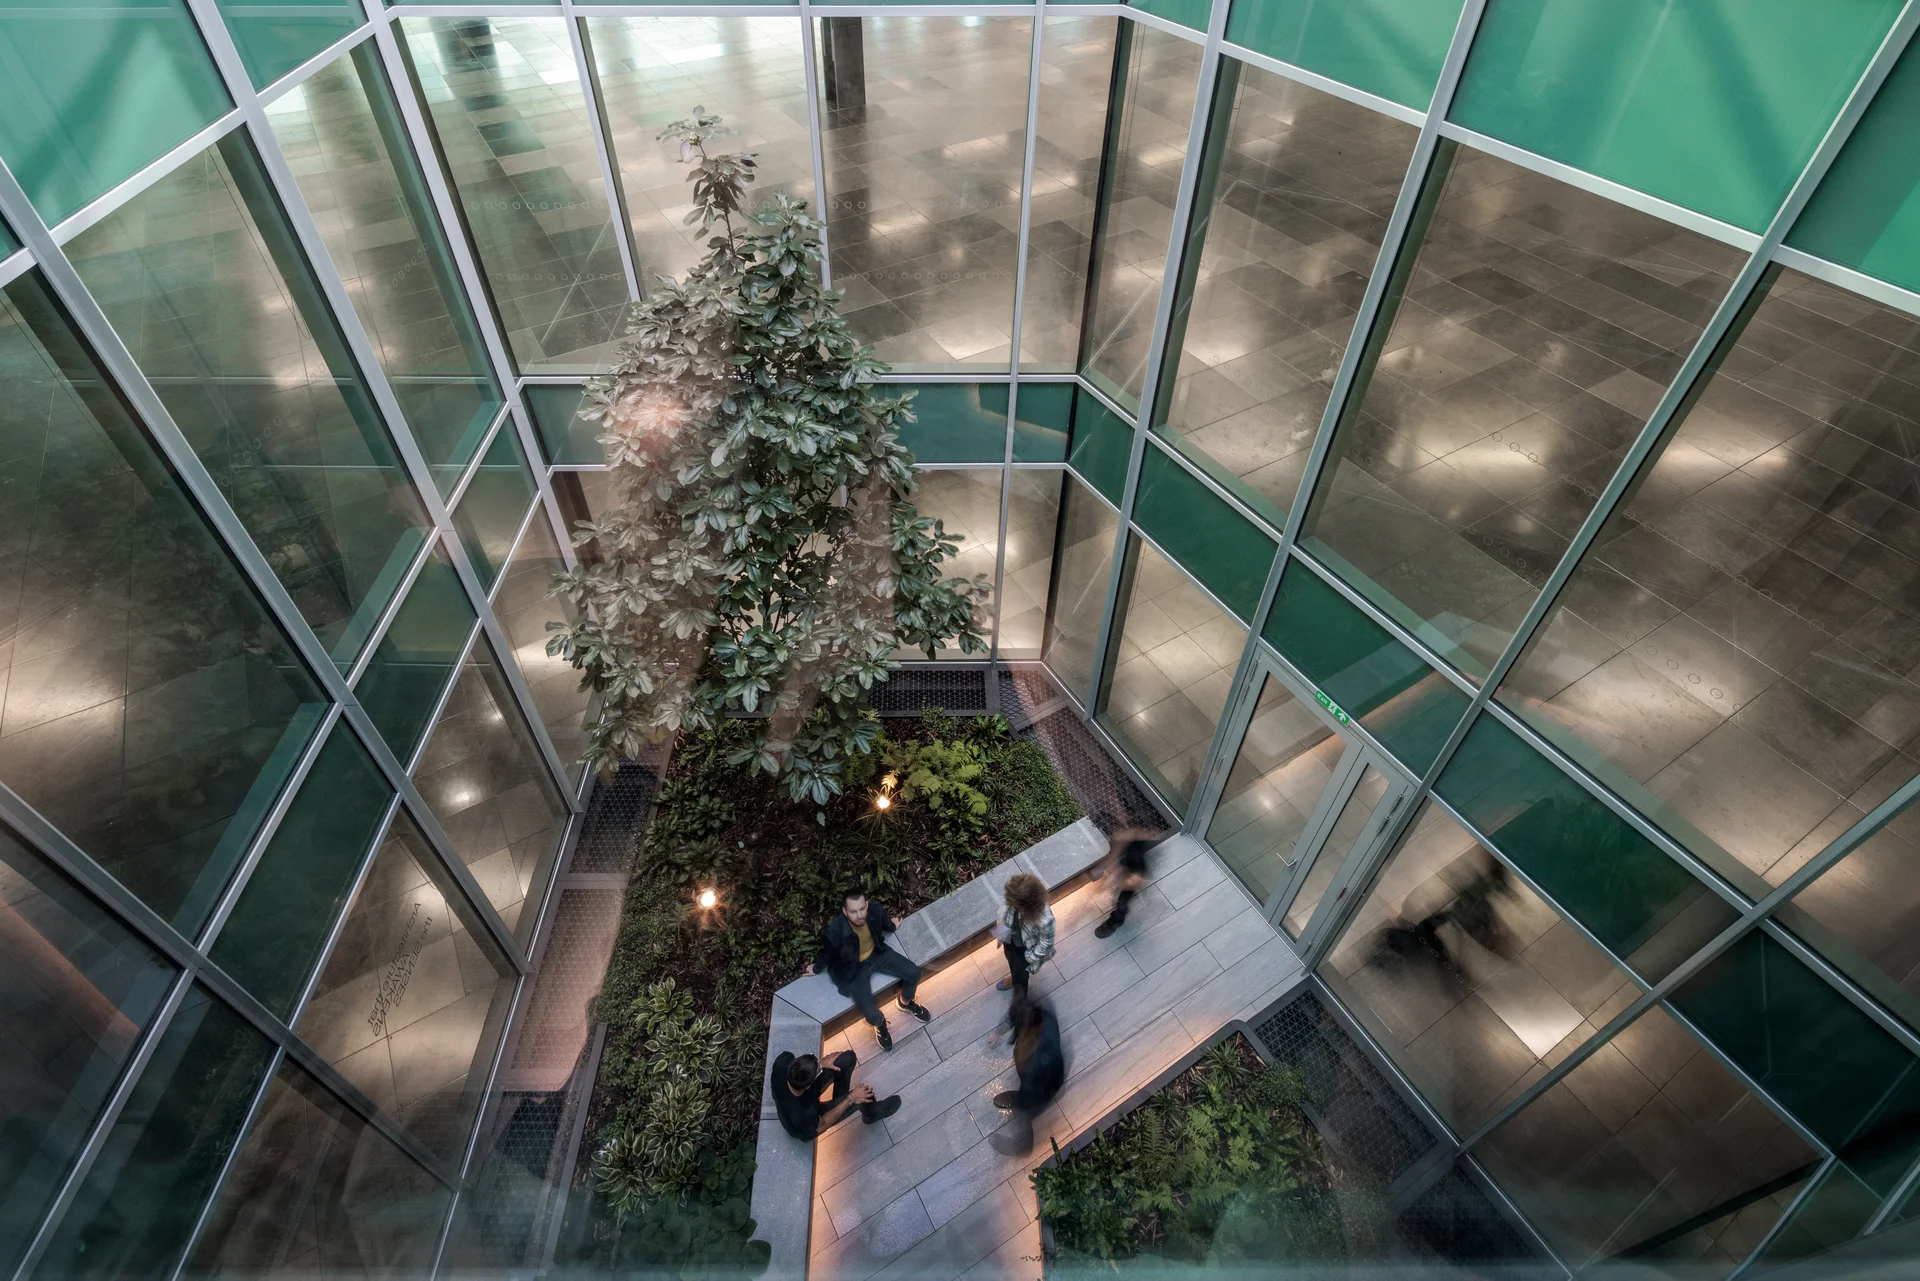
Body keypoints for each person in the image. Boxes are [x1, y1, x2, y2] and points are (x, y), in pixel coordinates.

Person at [804, 889, 932, 1050]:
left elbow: (885, 922)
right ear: (845, 911)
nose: (859, 915)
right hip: (854, 969)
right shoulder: (836, 931)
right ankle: (880, 1025)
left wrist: (892, 926)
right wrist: (816, 969)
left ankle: (905, 1002)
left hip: (877, 954)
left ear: (866, 905)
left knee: (914, 972)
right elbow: (827, 954)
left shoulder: (874, 910)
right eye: (853, 911)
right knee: (871, 1014)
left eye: (862, 909)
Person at [990, 996, 1065, 1155]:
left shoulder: (1040, 1058)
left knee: (1024, 1110)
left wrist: (1023, 1100)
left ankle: (1023, 1147)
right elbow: (1012, 1016)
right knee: (1029, 1084)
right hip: (1037, 1075)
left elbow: (1040, 1081)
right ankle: (1023, 1097)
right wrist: (998, 1032)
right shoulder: (1037, 1015)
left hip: (1043, 1086)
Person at [770, 1049, 899, 1140]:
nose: (820, 1066)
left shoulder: (783, 1063)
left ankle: (839, 1096)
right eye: (819, 1071)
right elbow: (823, 1123)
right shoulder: (801, 1115)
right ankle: (872, 1113)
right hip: (813, 1122)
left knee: (848, 1058)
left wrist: (820, 1063)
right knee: (866, 1095)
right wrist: (850, 1098)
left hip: (807, 1097)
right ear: (808, 1085)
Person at [994, 873, 1055, 1001]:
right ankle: (1014, 976)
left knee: (1021, 977)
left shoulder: (1045, 919)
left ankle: (1020, 1000)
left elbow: (1046, 943)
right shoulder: (1013, 896)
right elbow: (1004, 908)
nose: (1008, 901)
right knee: (1010, 958)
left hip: (1025, 948)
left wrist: (1029, 958)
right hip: (1010, 939)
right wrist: (1001, 926)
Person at [1094, 827, 1163, 938]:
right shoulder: (1127, 842)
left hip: (1133, 866)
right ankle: (1117, 917)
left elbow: (1135, 881)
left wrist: (1117, 878)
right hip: (1130, 861)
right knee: (1123, 896)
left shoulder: (1133, 848)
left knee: (1123, 899)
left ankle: (1116, 920)